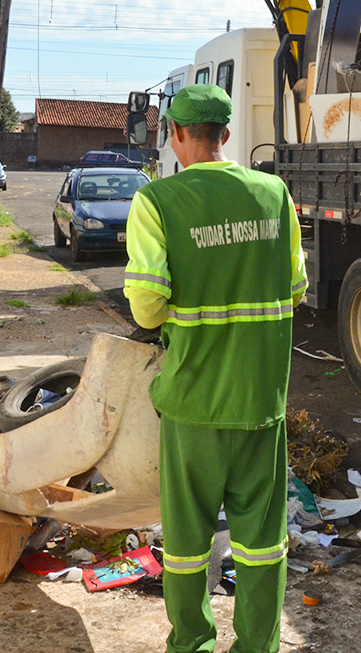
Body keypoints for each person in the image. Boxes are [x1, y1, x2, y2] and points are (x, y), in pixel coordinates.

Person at [123, 84, 307, 653]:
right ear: (226, 135)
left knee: (185, 543)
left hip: (194, 401)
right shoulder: (275, 193)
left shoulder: (157, 202)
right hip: (261, 399)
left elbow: (147, 305)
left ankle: (193, 644)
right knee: (262, 544)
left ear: (176, 134)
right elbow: (296, 288)